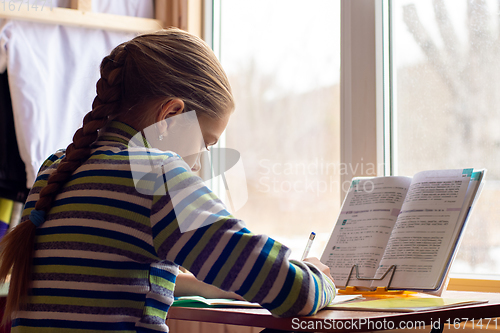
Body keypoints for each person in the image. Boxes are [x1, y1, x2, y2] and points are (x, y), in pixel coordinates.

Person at [0, 28, 335, 332]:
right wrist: (319, 276)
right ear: (170, 117)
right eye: (206, 142)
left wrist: (213, 281)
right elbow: (295, 293)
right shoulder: (157, 175)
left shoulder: (54, 169)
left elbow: (106, 273)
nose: (201, 164)